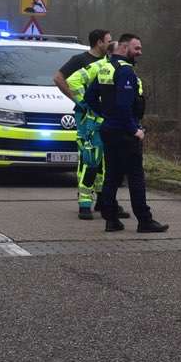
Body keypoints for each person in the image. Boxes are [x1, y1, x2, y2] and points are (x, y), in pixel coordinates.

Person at [85, 34, 167, 234]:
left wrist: (105, 115)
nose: (139, 52)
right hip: (125, 133)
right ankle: (144, 221)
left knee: (112, 175)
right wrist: (135, 130)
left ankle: (111, 219)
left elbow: (89, 97)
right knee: (136, 177)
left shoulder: (106, 68)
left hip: (109, 129)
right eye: (136, 48)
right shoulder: (125, 71)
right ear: (123, 47)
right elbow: (124, 106)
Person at [58, 29, 118, 221]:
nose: (110, 44)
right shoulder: (83, 61)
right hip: (88, 119)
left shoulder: (115, 66)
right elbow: (62, 79)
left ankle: (104, 200)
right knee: (89, 158)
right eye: (108, 41)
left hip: (105, 119)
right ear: (99, 42)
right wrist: (84, 103)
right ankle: (85, 202)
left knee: (103, 162)